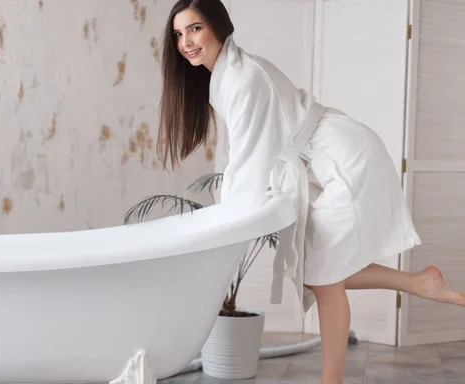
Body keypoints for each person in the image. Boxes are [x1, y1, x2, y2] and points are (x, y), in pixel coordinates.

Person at [156, 0, 465, 383]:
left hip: (345, 157)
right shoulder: (227, 75)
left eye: (195, 28)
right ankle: (420, 283)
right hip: (318, 160)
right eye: (178, 33)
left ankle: (331, 379)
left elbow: (249, 157)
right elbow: (253, 152)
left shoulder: (242, 77)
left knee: (321, 277)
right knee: (318, 273)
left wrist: (226, 228)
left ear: (219, 26)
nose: (186, 41)